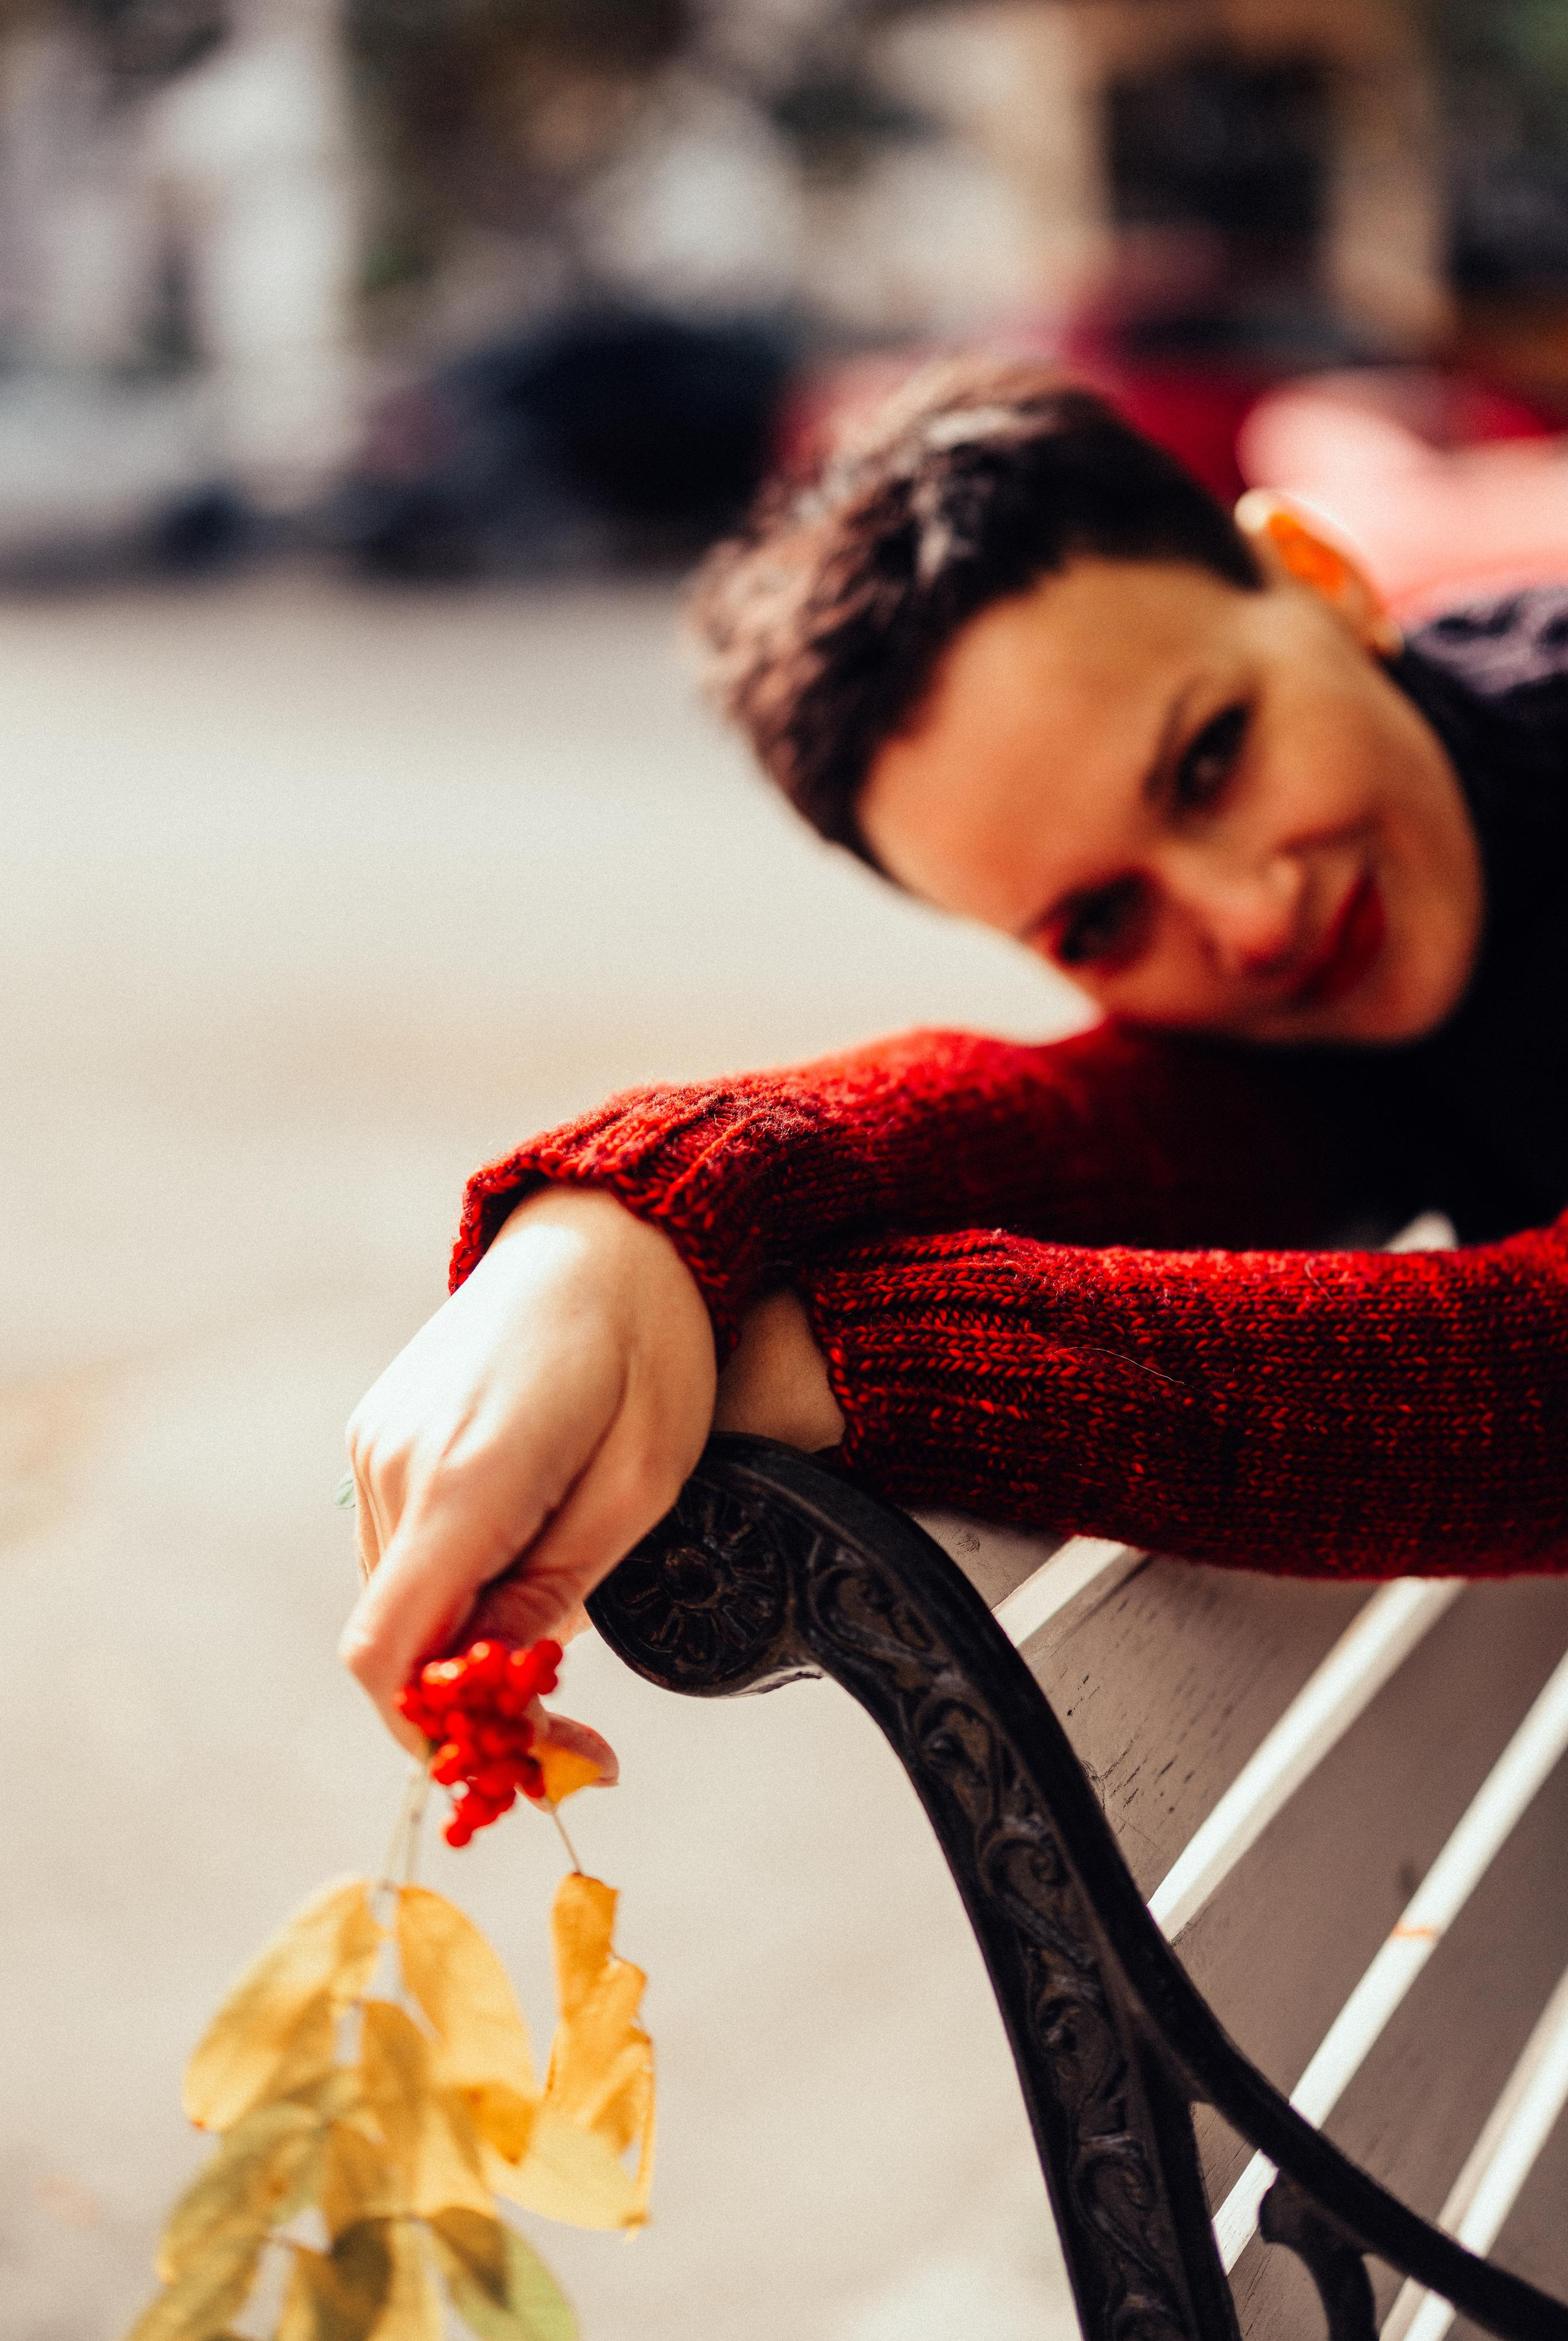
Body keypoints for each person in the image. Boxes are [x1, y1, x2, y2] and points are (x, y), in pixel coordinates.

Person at [340, 360, 1568, 1751]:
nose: (1250, 916)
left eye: (1211, 759)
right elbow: (1134, 1120)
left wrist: (841, 1360)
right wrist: (626, 1221)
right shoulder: (1346, 989)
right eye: (1099, 921)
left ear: (1318, 579)